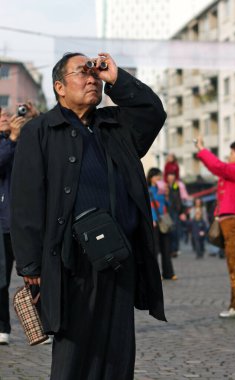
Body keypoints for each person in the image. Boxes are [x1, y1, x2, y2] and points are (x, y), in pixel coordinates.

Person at [10, 52, 166, 379]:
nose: (92, 78)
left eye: (95, 73)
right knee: (75, 351)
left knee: (117, 349)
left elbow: (153, 112)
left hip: (119, 256)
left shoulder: (114, 125)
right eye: (82, 73)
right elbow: (25, 200)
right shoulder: (39, 131)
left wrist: (118, 79)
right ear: (60, 87)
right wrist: (30, 264)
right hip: (70, 262)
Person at [195, 137, 235, 319]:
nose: (229, 155)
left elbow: (218, 167)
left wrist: (202, 150)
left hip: (234, 223)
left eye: (232, 153)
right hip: (229, 222)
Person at [0, 105, 38, 345]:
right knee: (1, 280)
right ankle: (3, 327)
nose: (6, 117)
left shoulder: (22, 138)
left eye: (7, 113)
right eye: (1, 116)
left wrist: (34, 121)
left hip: (24, 222)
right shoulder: (10, 141)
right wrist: (12, 138)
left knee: (34, 274)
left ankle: (40, 325)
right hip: (1, 223)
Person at [147, 168, 177, 280]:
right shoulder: (148, 190)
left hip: (164, 221)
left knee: (166, 248)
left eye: (159, 176)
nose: (158, 178)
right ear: (150, 178)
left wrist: (167, 194)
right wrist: (153, 220)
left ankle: (168, 273)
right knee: (156, 249)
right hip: (154, 223)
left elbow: (168, 204)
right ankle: (156, 273)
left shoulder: (163, 189)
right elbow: (149, 207)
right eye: (155, 176)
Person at [166, 172, 187, 258]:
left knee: (175, 230)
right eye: (169, 176)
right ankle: (170, 249)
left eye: (172, 176)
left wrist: (182, 211)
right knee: (169, 230)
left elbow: (180, 199)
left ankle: (175, 249)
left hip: (175, 211)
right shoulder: (165, 187)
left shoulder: (177, 186)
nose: (171, 178)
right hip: (167, 211)